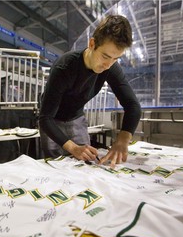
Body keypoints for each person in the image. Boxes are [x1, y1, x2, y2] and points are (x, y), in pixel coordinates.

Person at [38, 14, 141, 169]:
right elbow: (45, 118)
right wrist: (73, 148)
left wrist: (122, 140)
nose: (108, 65)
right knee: (55, 166)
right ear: (92, 44)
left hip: (77, 118)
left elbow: (133, 106)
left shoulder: (110, 67)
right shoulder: (64, 67)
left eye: (115, 59)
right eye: (105, 56)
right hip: (53, 121)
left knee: (86, 164)